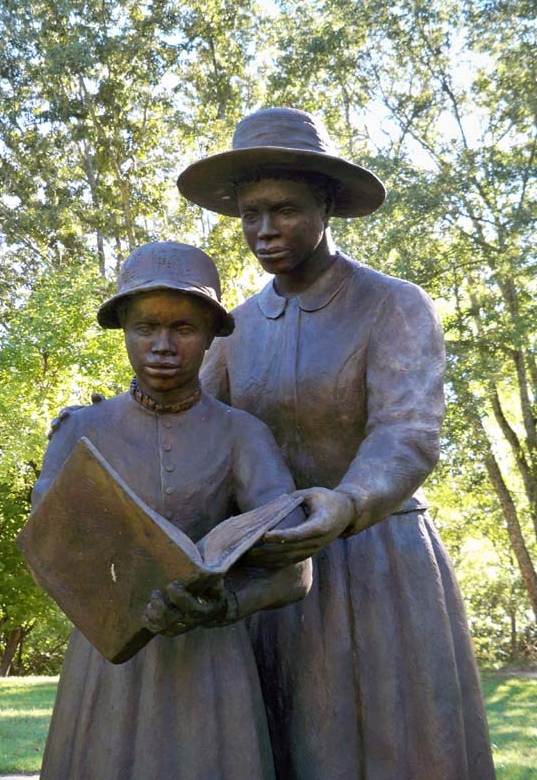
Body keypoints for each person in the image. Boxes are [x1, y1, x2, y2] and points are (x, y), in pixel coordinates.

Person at [176, 108, 496, 780]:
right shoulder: (233, 330)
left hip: (376, 564)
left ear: (326, 204)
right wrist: (110, 426)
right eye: (251, 213)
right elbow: (196, 423)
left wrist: (349, 501)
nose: (264, 230)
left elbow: (407, 432)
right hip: (271, 573)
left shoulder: (393, 305)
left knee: (384, 749)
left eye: (284, 209)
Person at [32, 240, 312, 780]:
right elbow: (47, 547)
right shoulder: (80, 430)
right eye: (145, 328)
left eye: (183, 329)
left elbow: (295, 570)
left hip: (211, 663)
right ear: (124, 332)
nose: (163, 345)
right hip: (108, 660)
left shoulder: (242, 436)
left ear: (210, 336)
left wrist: (226, 605)